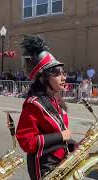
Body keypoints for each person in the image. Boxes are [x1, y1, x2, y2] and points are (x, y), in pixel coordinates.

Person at [15, 35, 76, 180]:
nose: (63, 77)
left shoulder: (56, 100)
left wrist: (73, 144)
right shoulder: (33, 104)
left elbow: (60, 134)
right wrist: (61, 136)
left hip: (61, 163)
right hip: (44, 168)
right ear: (43, 78)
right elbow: (26, 142)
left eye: (63, 73)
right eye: (57, 73)